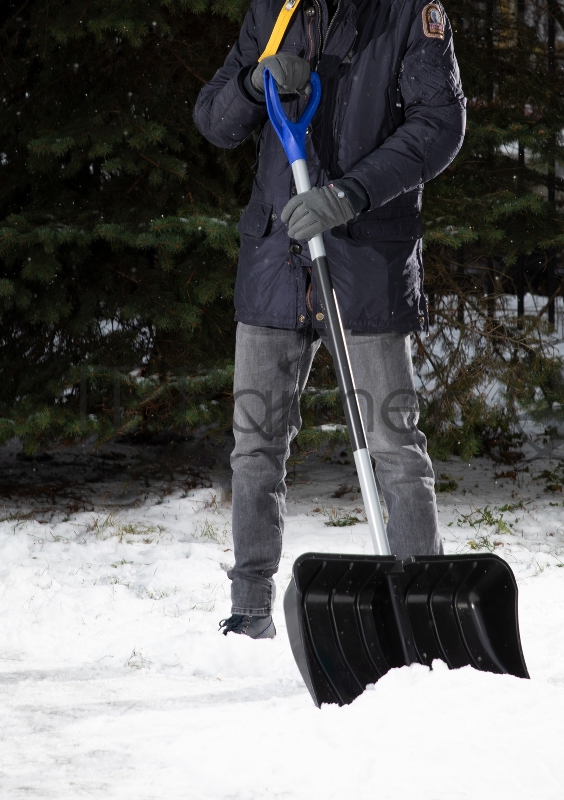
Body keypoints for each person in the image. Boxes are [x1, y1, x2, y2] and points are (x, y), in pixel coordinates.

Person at [194, 0, 465, 639]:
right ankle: (250, 608)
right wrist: (251, 84)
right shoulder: (275, 10)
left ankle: (420, 608)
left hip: (366, 264)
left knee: (393, 445)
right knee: (255, 442)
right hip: (275, 259)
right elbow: (215, 121)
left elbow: (439, 125)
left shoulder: (408, 12)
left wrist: (351, 192)